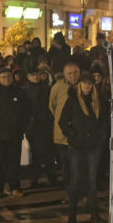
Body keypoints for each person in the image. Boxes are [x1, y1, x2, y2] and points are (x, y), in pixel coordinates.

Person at [59, 72, 107, 223]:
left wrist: (99, 138)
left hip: (93, 146)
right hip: (77, 146)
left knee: (92, 180)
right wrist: (73, 135)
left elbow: (103, 122)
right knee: (76, 179)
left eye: (90, 83)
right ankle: (72, 214)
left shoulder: (98, 101)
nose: (87, 85)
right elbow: (62, 121)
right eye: (84, 82)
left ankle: (93, 212)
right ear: (79, 84)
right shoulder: (72, 100)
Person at [0, 67, 29, 198]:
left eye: (8, 76)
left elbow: (27, 110)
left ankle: (15, 187)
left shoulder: (19, 92)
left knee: (14, 162)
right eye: (3, 77)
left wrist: (22, 125)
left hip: (15, 133)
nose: (6, 79)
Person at [49, 61, 80, 193]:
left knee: (78, 164)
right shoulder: (57, 87)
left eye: (75, 73)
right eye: (69, 74)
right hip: (62, 133)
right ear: (64, 74)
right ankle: (69, 189)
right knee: (66, 164)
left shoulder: (84, 85)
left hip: (79, 133)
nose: (72, 76)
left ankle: (79, 188)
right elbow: (52, 106)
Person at [24, 67, 57, 187]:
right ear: (28, 76)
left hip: (46, 124)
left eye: (37, 74)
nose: (36, 77)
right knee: (35, 153)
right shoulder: (25, 90)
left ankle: (51, 176)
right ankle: (34, 177)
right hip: (33, 125)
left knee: (49, 152)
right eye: (33, 75)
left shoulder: (46, 88)